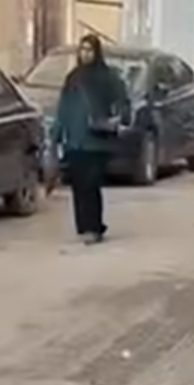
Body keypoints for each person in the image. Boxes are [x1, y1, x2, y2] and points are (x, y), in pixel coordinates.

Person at [50, 33, 129, 244]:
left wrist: (118, 118)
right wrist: (57, 135)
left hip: (97, 140)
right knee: (79, 185)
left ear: (97, 52)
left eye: (89, 50)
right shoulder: (73, 78)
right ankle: (84, 226)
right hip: (76, 140)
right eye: (82, 50)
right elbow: (63, 108)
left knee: (91, 183)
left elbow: (122, 101)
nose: (85, 54)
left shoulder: (107, 77)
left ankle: (95, 227)